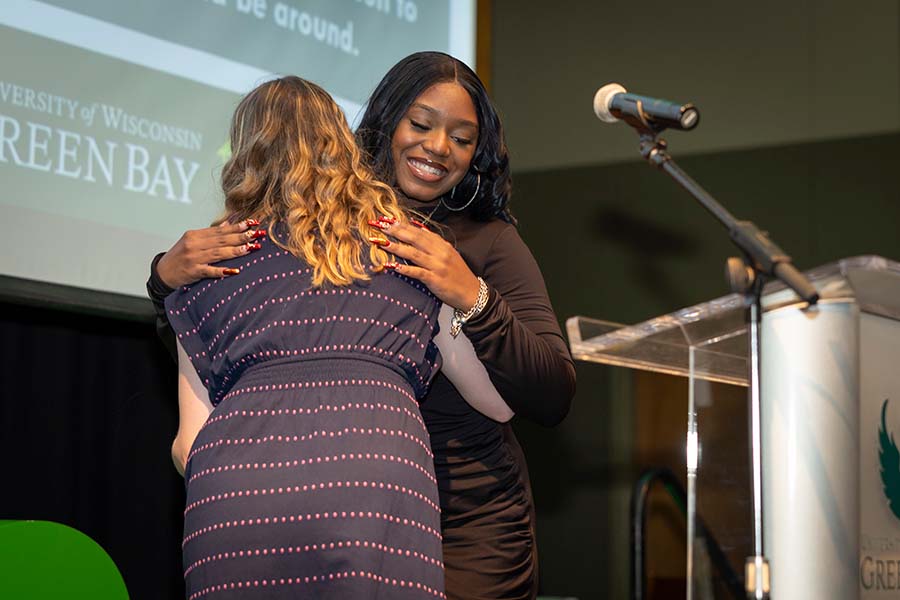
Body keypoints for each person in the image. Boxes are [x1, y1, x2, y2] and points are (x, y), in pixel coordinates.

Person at [148, 52, 576, 600]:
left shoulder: (486, 240)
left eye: (463, 139)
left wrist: (471, 294)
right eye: (420, 124)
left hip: (466, 527)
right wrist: (163, 280)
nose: (439, 147)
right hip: (352, 503)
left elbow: (549, 393)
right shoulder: (317, 237)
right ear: (382, 122)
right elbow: (221, 356)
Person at [164, 75, 447, 599]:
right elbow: (494, 402)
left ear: (246, 151)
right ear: (341, 142)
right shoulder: (406, 246)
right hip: (368, 490)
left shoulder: (206, 266)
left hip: (232, 508)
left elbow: (187, 445)